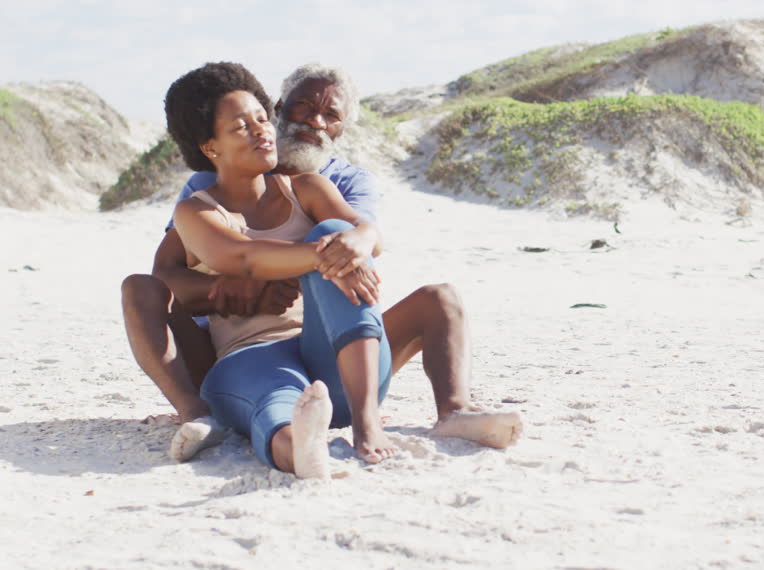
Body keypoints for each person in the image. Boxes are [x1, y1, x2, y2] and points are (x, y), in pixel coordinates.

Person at [121, 62, 521, 471]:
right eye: (243, 126)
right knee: (272, 399)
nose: (262, 130)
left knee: (401, 273)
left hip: (333, 350)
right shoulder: (199, 204)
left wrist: (354, 239)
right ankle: (295, 447)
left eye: (260, 120)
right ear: (211, 148)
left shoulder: (316, 185)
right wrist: (317, 257)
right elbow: (236, 257)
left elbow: (365, 234)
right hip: (253, 355)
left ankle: (402, 418)